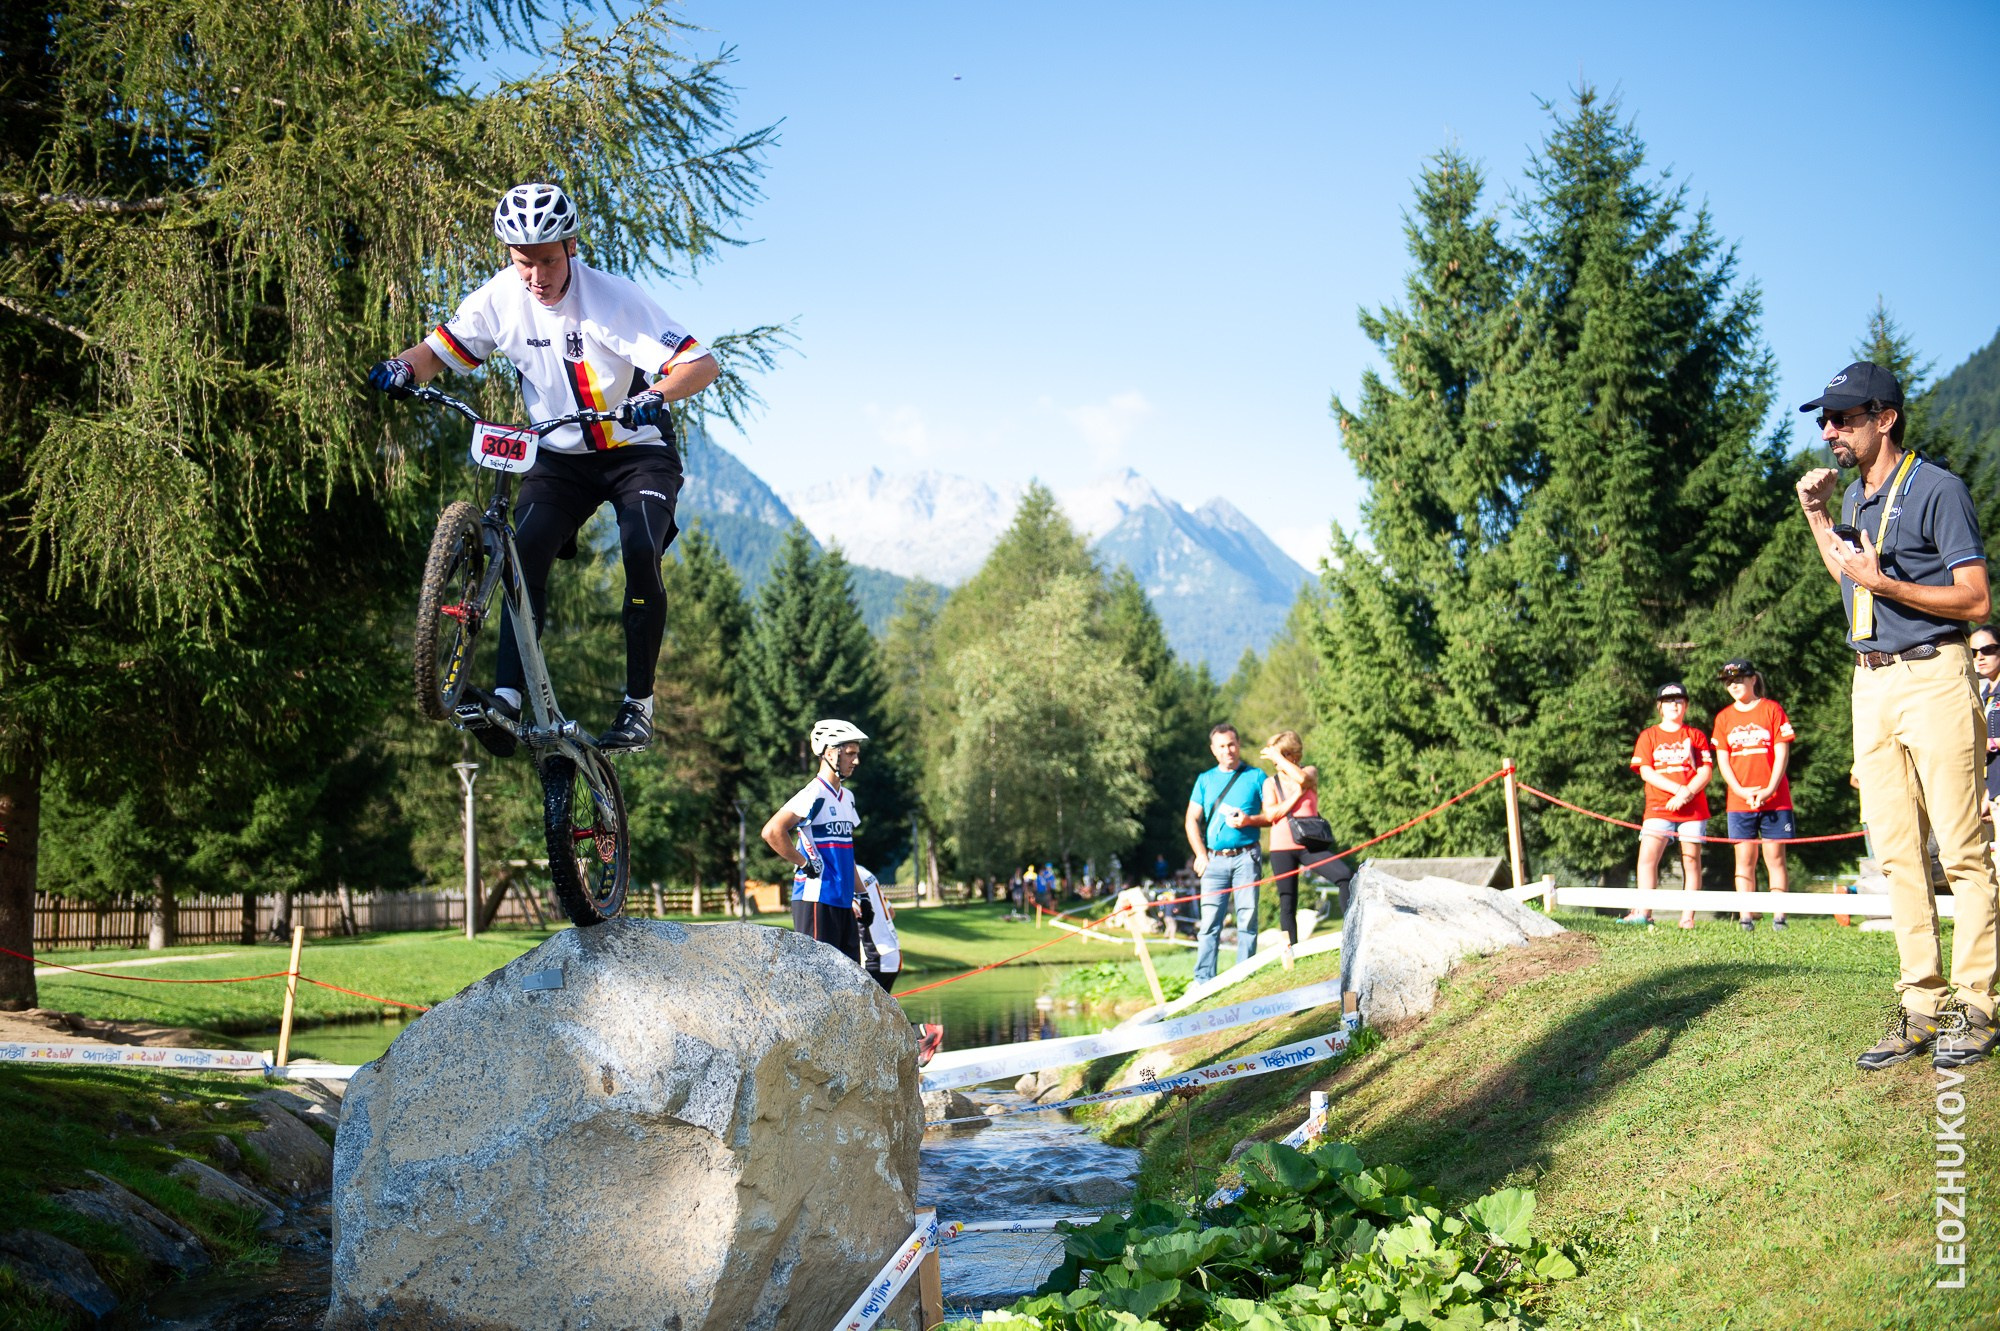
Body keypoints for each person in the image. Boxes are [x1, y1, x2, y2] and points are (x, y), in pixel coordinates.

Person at [367, 182, 719, 757]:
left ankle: (638, 707)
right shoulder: (499, 298)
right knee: (522, 550)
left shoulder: (613, 299)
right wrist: (401, 367)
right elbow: (434, 352)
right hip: (558, 455)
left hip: (635, 451)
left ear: (571, 246)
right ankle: (507, 699)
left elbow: (700, 364)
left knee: (639, 549)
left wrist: (658, 393)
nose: (536, 276)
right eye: (523, 261)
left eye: (549, 260)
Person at [1795, 360, 2000, 1070]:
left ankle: (1976, 1005)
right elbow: (1851, 583)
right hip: (1871, 681)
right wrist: (1818, 517)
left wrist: (1887, 583)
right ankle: (1920, 1005)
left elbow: (1976, 599)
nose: (1830, 431)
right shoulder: (1853, 498)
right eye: (1825, 420)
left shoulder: (1938, 488)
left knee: (1962, 851)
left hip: (1936, 674)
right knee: (1897, 855)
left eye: (1843, 418)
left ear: (1884, 419)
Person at [760, 720, 869, 964]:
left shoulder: (847, 797)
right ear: (830, 753)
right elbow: (772, 831)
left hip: (843, 901)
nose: (856, 761)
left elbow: (847, 854)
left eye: (856, 754)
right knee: (820, 975)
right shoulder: (814, 793)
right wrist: (803, 863)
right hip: (816, 898)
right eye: (850, 753)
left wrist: (864, 895)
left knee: (850, 976)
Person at [1711, 660, 1796, 932]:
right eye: (1729, 682)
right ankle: (1746, 917)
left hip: (1775, 799)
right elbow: (1723, 760)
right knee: (1744, 859)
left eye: (1739, 679)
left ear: (1753, 680)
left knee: (1775, 857)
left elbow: (1782, 752)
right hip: (1740, 801)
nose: (1734, 685)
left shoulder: (1772, 709)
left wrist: (1769, 789)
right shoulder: (1724, 718)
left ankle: (1779, 917)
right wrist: (1740, 791)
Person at [1224, 730, 1319, 961]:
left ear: (1291, 754)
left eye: (1280, 755)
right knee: (1287, 901)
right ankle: (1292, 956)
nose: (1275, 761)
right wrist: (1296, 796)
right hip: (1281, 846)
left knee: (1344, 876)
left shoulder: (1308, 771)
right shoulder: (1270, 783)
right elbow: (1271, 814)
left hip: (1309, 843)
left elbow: (1304, 780)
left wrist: (1279, 757)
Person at [1185, 723, 1269, 984]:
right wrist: (1200, 854)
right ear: (1213, 750)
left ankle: (1243, 977)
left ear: (1238, 744)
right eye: (1221, 746)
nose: (1227, 750)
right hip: (1214, 860)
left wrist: (1249, 820)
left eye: (1231, 744)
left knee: (1247, 917)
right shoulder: (1205, 779)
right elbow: (1191, 819)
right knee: (1209, 922)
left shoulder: (1256, 776)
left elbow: (1272, 815)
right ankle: (1203, 981)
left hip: (1247, 857)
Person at [1626, 683, 1713, 929]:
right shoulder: (1649, 736)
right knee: (1647, 858)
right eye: (1668, 700)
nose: (1674, 705)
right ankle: (1644, 912)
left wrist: (1686, 794)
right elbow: (1646, 771)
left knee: (1691, 860)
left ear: (1686, 705)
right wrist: (1678, 790)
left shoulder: (1695, 735)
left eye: (1679, 700)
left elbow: (1705, 771)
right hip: (1658, 807)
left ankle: (1687, 917)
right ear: (1659, 706)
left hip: (1692, 810)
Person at [853, 864, 902, 991]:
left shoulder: (849, 877)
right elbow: (891, 912)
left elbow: (854, 913)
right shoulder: (865, 872)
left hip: (873, 957)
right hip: (893, 953)